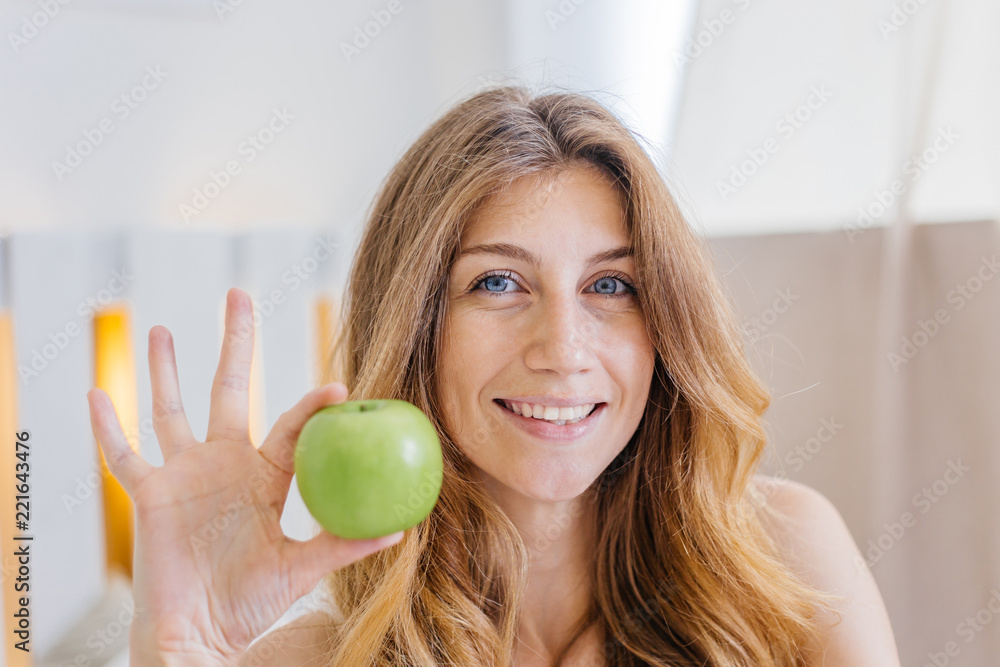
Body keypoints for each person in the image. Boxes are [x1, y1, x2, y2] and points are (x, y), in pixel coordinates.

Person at [86, 85, 901, 666]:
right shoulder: (315, 659)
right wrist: (181, 647)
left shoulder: (787, 562)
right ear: (417, 328)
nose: (563, 347)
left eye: (610, 285)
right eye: (499, 282)